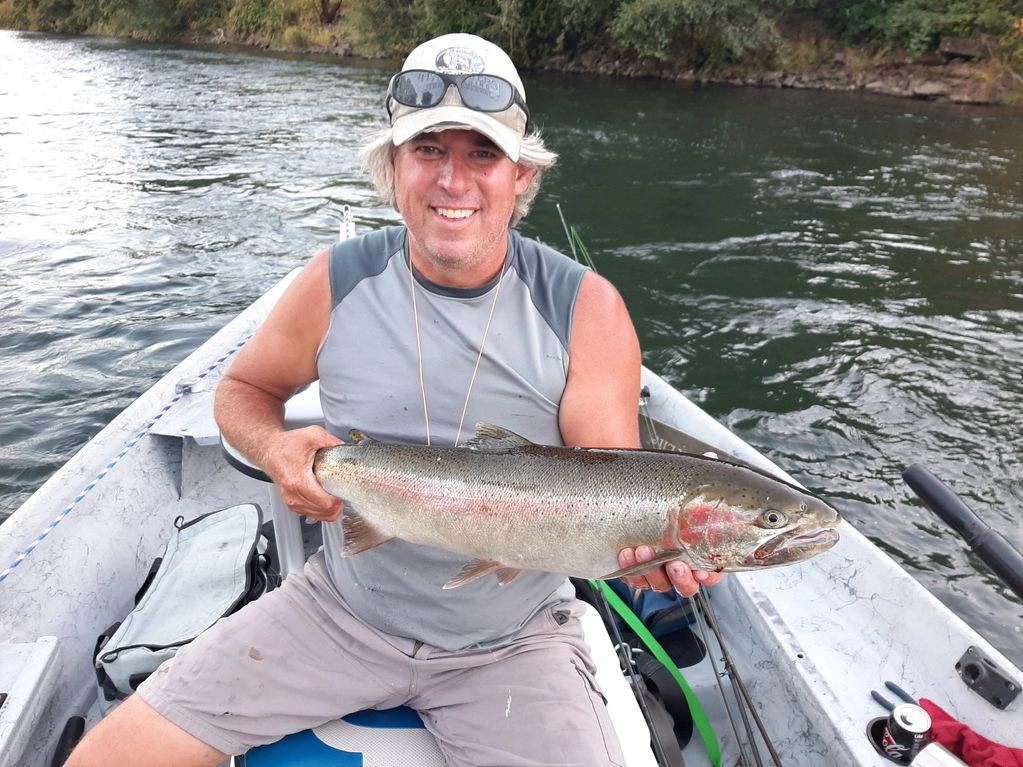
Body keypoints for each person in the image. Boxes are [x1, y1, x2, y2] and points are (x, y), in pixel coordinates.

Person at [67, 32, 721, 767]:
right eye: (428, 151)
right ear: (392, 167)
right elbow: (243, 391)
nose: (454, 180)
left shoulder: (586, 309)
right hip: (339, 612)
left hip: (511, 641)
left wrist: (641, 556)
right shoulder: (333, 281)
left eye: (481, 155)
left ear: (519, 179)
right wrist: (277, 445)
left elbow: (609, 478)